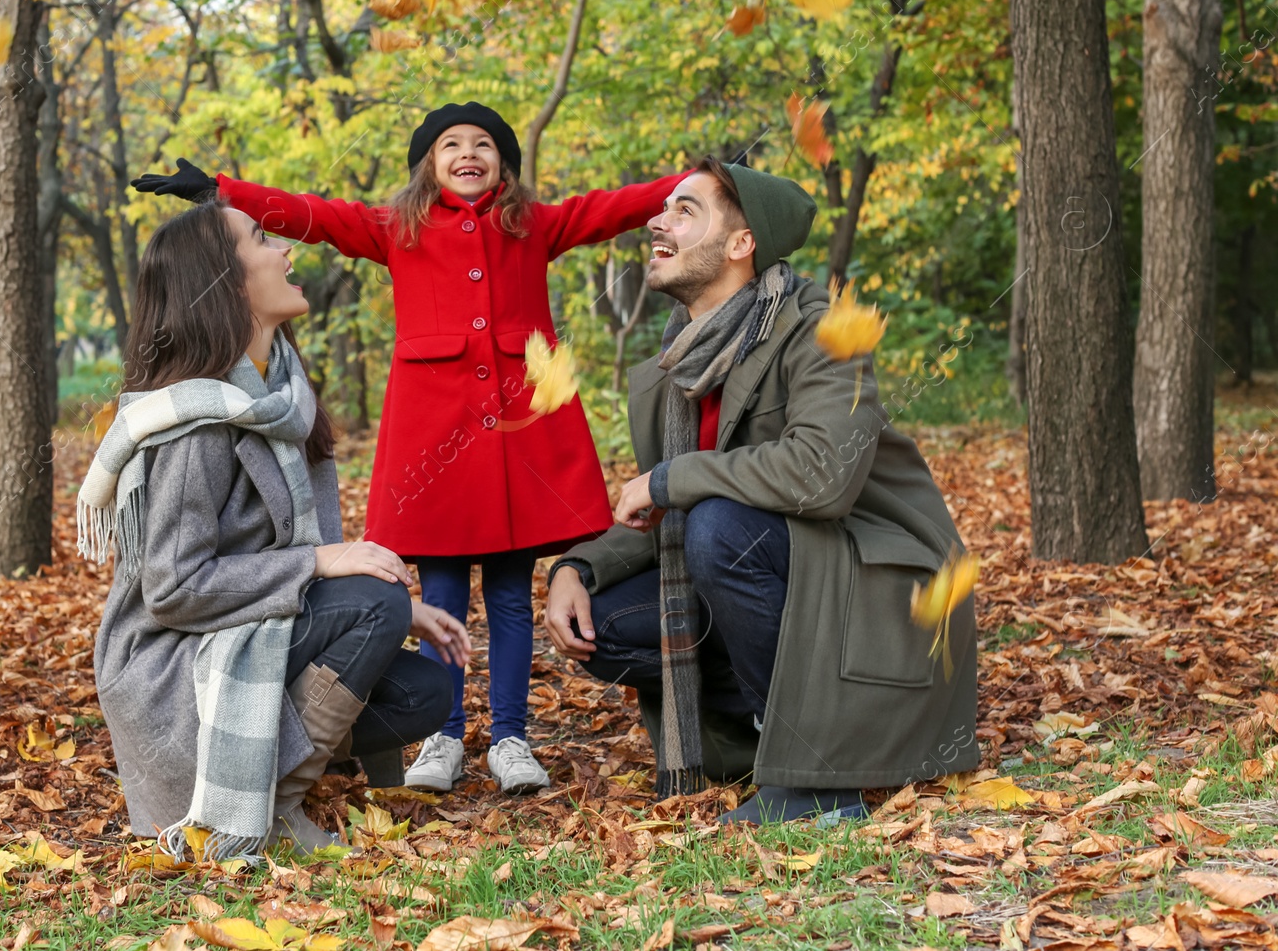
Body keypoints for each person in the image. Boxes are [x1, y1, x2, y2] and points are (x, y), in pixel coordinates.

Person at [132, 103, 686, 795]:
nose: (468, 153)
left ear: (504, 165)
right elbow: (314, 214)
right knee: (444, 586)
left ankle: (511, 736)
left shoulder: (533, 224)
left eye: (484, 144)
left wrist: (700, 183)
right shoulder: (397, 229)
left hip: (517, 439)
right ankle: (445, 738)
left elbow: (615, 207)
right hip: (440, 442)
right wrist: (224, 192)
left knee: (512, 596)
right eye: (450, 144)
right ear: (428, 163)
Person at [543, 156, 980, 823]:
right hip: (775, 566)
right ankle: (761, 736)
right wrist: (577, 566)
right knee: (602, 620)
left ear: (742, 244)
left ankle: (817, 785)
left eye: (686, 210)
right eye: (662, 209)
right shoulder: (675, 368)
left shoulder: (821, 328)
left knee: (719, 527)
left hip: (874, 583)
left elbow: (823, 474)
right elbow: (664, 513)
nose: (658, 222)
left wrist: (670, 477)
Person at [80, 200, 470, 859]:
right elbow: (172, 588)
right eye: (262, 239)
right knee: (376, 600)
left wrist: (400, 604)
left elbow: (316, 557)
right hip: (170, 662)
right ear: (224, 282)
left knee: (427, 690)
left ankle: (269, 772)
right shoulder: (197, 421)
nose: (287, 251)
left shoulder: (280, 398)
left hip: (248, 630)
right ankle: (267, 809)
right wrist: (326, 567)